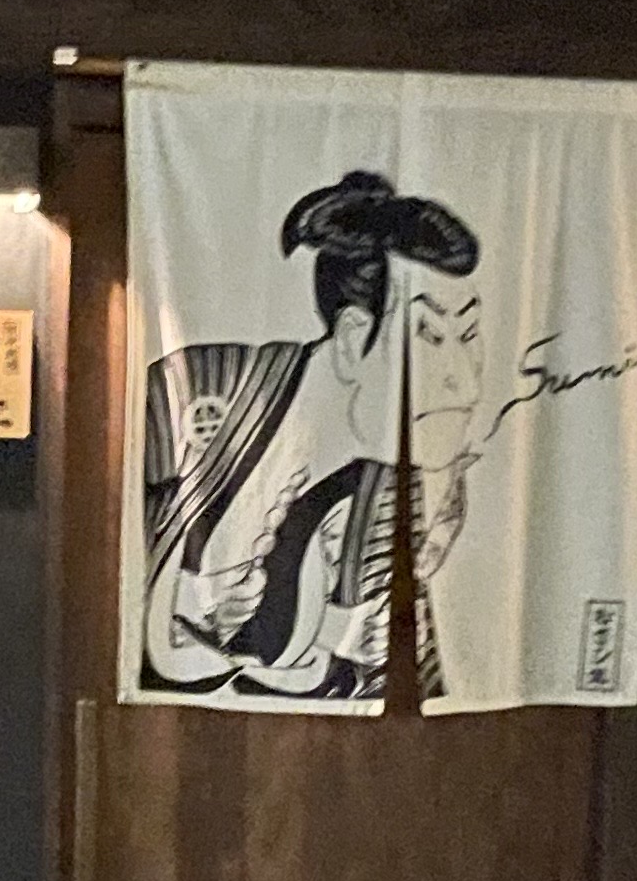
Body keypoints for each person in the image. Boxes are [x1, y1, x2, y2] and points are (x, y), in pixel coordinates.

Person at [137, 169, 484, 701]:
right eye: (429, 336)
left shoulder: (414, 491)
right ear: (352, 338)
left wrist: (361, 644)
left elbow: (422, 682)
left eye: (470, 335)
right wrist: (187, 599)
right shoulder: (196, 390)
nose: (464, 380)